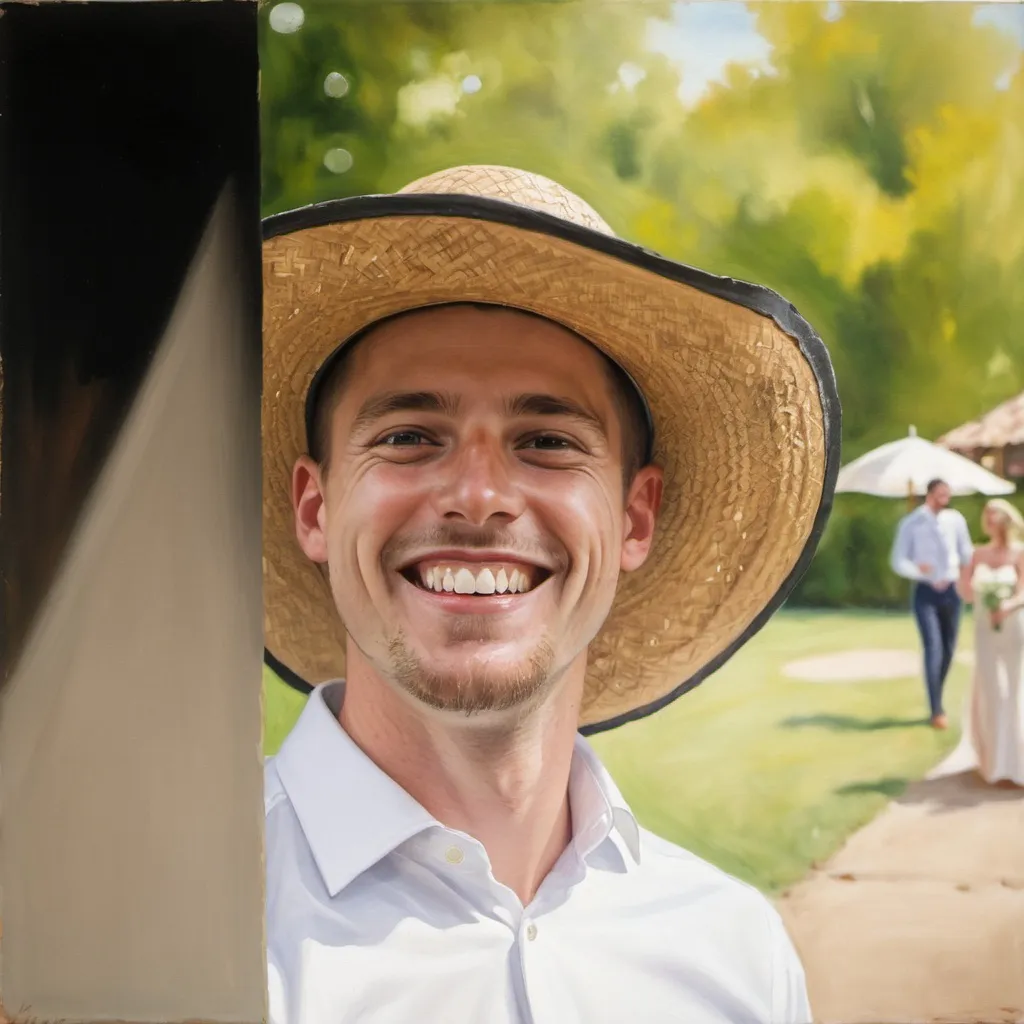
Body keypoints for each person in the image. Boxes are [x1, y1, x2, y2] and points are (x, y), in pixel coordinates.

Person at [261, 164, 840, 1023]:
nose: (480, 493)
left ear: (634, 518)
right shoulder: (160, 925)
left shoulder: (738, 957)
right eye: (412, 435)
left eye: (546, 440)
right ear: (316, 508)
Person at [890, 478, 973, 728]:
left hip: (952, 591)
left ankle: (937, 691)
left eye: (947, 495)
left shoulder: (955, 520)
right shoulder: (912, 523)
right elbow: (898, 560)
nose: (944, 499)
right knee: (933, 647)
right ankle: (936, 708)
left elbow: (966, 552)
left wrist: (966, 577)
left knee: (949, 649)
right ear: (929, 495)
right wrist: (919, 570)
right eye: (939, 495)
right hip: (926, 593)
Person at [955, 499, 1024, 787]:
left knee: (1015, 688)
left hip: (1014, 626)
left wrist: (1006, 606)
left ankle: (1017, 763)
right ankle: (994, 764)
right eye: (987, 514)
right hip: (985, 629)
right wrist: (963, 572)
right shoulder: (976, 553)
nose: (990, 518)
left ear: (1006, 519)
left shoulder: (1020, 552)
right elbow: (967, 595)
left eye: (995, 513)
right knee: (991, 689)